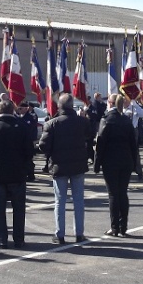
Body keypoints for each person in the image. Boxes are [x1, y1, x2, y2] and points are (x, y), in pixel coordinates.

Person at [38, 93, 93, 244]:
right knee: (78, 201)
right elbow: (90, 136)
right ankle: (79, 233)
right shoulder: (82, 122)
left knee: (60, 201)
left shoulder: (52, 123)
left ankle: (60, 234)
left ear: (60, 106)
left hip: (59, 165)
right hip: (78, 165)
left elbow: (43, 146)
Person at [0, 100, 33, 248]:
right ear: (12, 110)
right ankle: (19, 239)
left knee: (0, 209)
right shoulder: (21, 126)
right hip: (18, 173)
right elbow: (29, 150)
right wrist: (24, 164)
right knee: (19, 208)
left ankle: (2, 240)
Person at [94, 94, 138, 237]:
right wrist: (135, 164)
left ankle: (115, 228)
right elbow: (134, 144)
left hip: (110, 162)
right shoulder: (126, 120)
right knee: (123, 193)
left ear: (110, 103)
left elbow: (100, 144)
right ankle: (123, 227)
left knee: (113, 194)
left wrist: (96, 164)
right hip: (126, 161)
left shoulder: (106, 120)